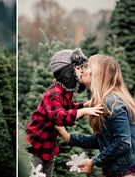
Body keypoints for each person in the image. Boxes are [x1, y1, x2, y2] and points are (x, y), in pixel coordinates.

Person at [25, 48, 104, 177]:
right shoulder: (54, 93)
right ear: (68, 71)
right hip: (35, 146)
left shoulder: (65, 91)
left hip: (49, 146)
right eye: (78, 68)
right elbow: (60, 117)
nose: (82, 71)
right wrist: (85, 110)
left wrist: (84, 105)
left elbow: (67, 108)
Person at [55, 54, 135, 177]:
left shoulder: (111, 102)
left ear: (97, 75)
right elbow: (103, 140)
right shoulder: (106, 100)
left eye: (87, 66)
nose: (82, 69)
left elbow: (123, 142)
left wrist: (94, 161)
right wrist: (69, 138)